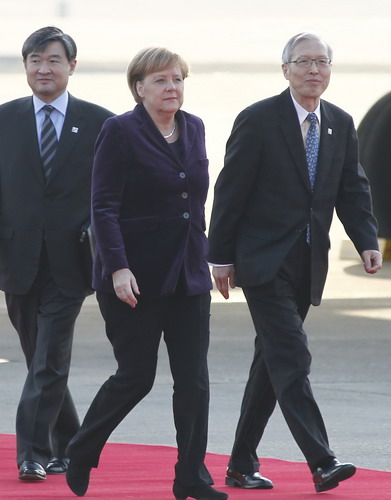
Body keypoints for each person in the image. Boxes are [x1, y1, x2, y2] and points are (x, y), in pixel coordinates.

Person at [207, 32, 382, 494]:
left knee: (271, 364)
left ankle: (240, 464)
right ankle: (322, 460)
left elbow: (352, 188)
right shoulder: (259, 119)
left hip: (308, 262)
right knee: (292, 354)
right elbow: (230, 191)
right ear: (284, 69)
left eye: (321, 62)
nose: (313, 70)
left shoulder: (339, 123)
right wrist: (220, 256)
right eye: (303, 62)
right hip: (261, 262)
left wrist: (366, 239)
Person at [65, 47, 228, 500]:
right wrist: (117, 266)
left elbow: (193, 203)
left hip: (188, 274)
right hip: (134, 276)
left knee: (194, 380)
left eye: (177, 79)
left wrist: (215, 258)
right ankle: (81, 449)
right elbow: (103, 206)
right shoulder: (119, 131)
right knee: (136, 376)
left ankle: (191, 476)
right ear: (139, 87)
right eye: (160, 81)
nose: (171, 87)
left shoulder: (193, 127)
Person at [0, 26, 113, 481]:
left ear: (71, 65)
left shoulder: (102, 122)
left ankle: (32, 451)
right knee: (40, 358)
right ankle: (70, 441)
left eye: (52, 60)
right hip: (17, 260)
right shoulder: (4, 120)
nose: (42, 68)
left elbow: (114, 191)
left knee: (48, 357)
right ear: (24, 66)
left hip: (72, 260)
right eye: (34, 60)